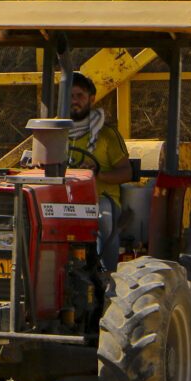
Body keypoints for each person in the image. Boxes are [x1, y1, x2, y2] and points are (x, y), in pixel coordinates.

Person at [68, 72, 132, 269]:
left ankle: (107, 275)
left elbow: (126, 172)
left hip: (102, 198)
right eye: (70, 96)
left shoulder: (107, 134)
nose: (74, 101)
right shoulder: (55, 131)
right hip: (63, 199)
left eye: (80, 96)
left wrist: (99, 174)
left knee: (103, 220)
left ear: (92, 99)